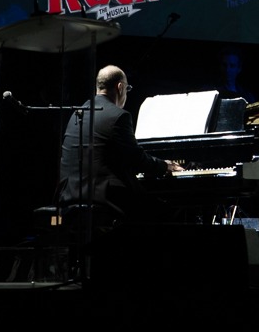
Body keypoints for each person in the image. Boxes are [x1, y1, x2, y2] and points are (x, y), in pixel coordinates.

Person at [56, 64, 182, 225]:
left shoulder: (76, 114)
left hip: (69, 194)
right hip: (103, 197)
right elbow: (137, 159)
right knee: (167, 213)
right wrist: (165, 166)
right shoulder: (119, 116)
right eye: (127, 89)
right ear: (120, 87)